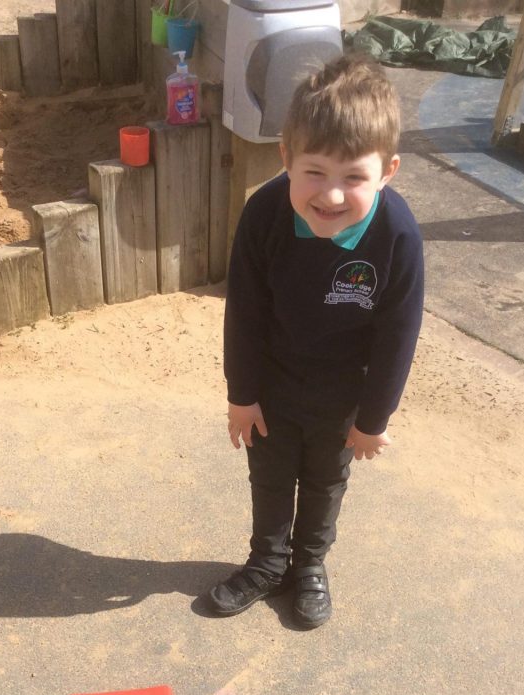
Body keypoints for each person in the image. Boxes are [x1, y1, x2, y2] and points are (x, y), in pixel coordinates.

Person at [204, 54, 424, 629]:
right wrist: (242, 394)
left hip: (342, 395)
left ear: (388, 171)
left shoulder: (397, 234)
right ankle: (266, 563)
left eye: (354, 177)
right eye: (315, 172)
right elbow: (245, 312)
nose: (331, 195)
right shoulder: (264, 213)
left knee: (326, 481)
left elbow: (398, 333)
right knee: (270, 476)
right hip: (273, 386)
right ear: (286, 158)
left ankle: (308, 565)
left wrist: (373, 418)